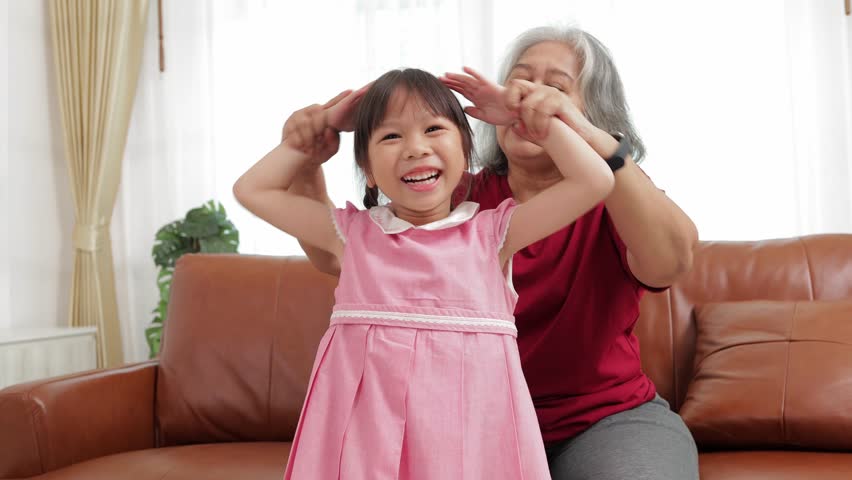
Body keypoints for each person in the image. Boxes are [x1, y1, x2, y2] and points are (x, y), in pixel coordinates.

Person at [294, 26, 701, 480]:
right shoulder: (447, 197)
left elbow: (672, 260)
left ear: (594, 113)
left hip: (603, 423)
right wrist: (308, 155)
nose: (530, 97)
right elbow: (339, 251)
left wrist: (583, 134)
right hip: (469, 418)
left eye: (556, 89)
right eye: (519, 82)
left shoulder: (619, 198)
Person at [233, 67, 614, 479]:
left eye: (433, 129)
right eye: (391, 136)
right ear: (369, 169)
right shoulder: (350, 235)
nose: (415, 148)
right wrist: (317, 132)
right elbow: (251, 189)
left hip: (468, 445)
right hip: (367, 446)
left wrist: (526, 118)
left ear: (466, 150)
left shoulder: (494, 235)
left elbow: (595, 179)